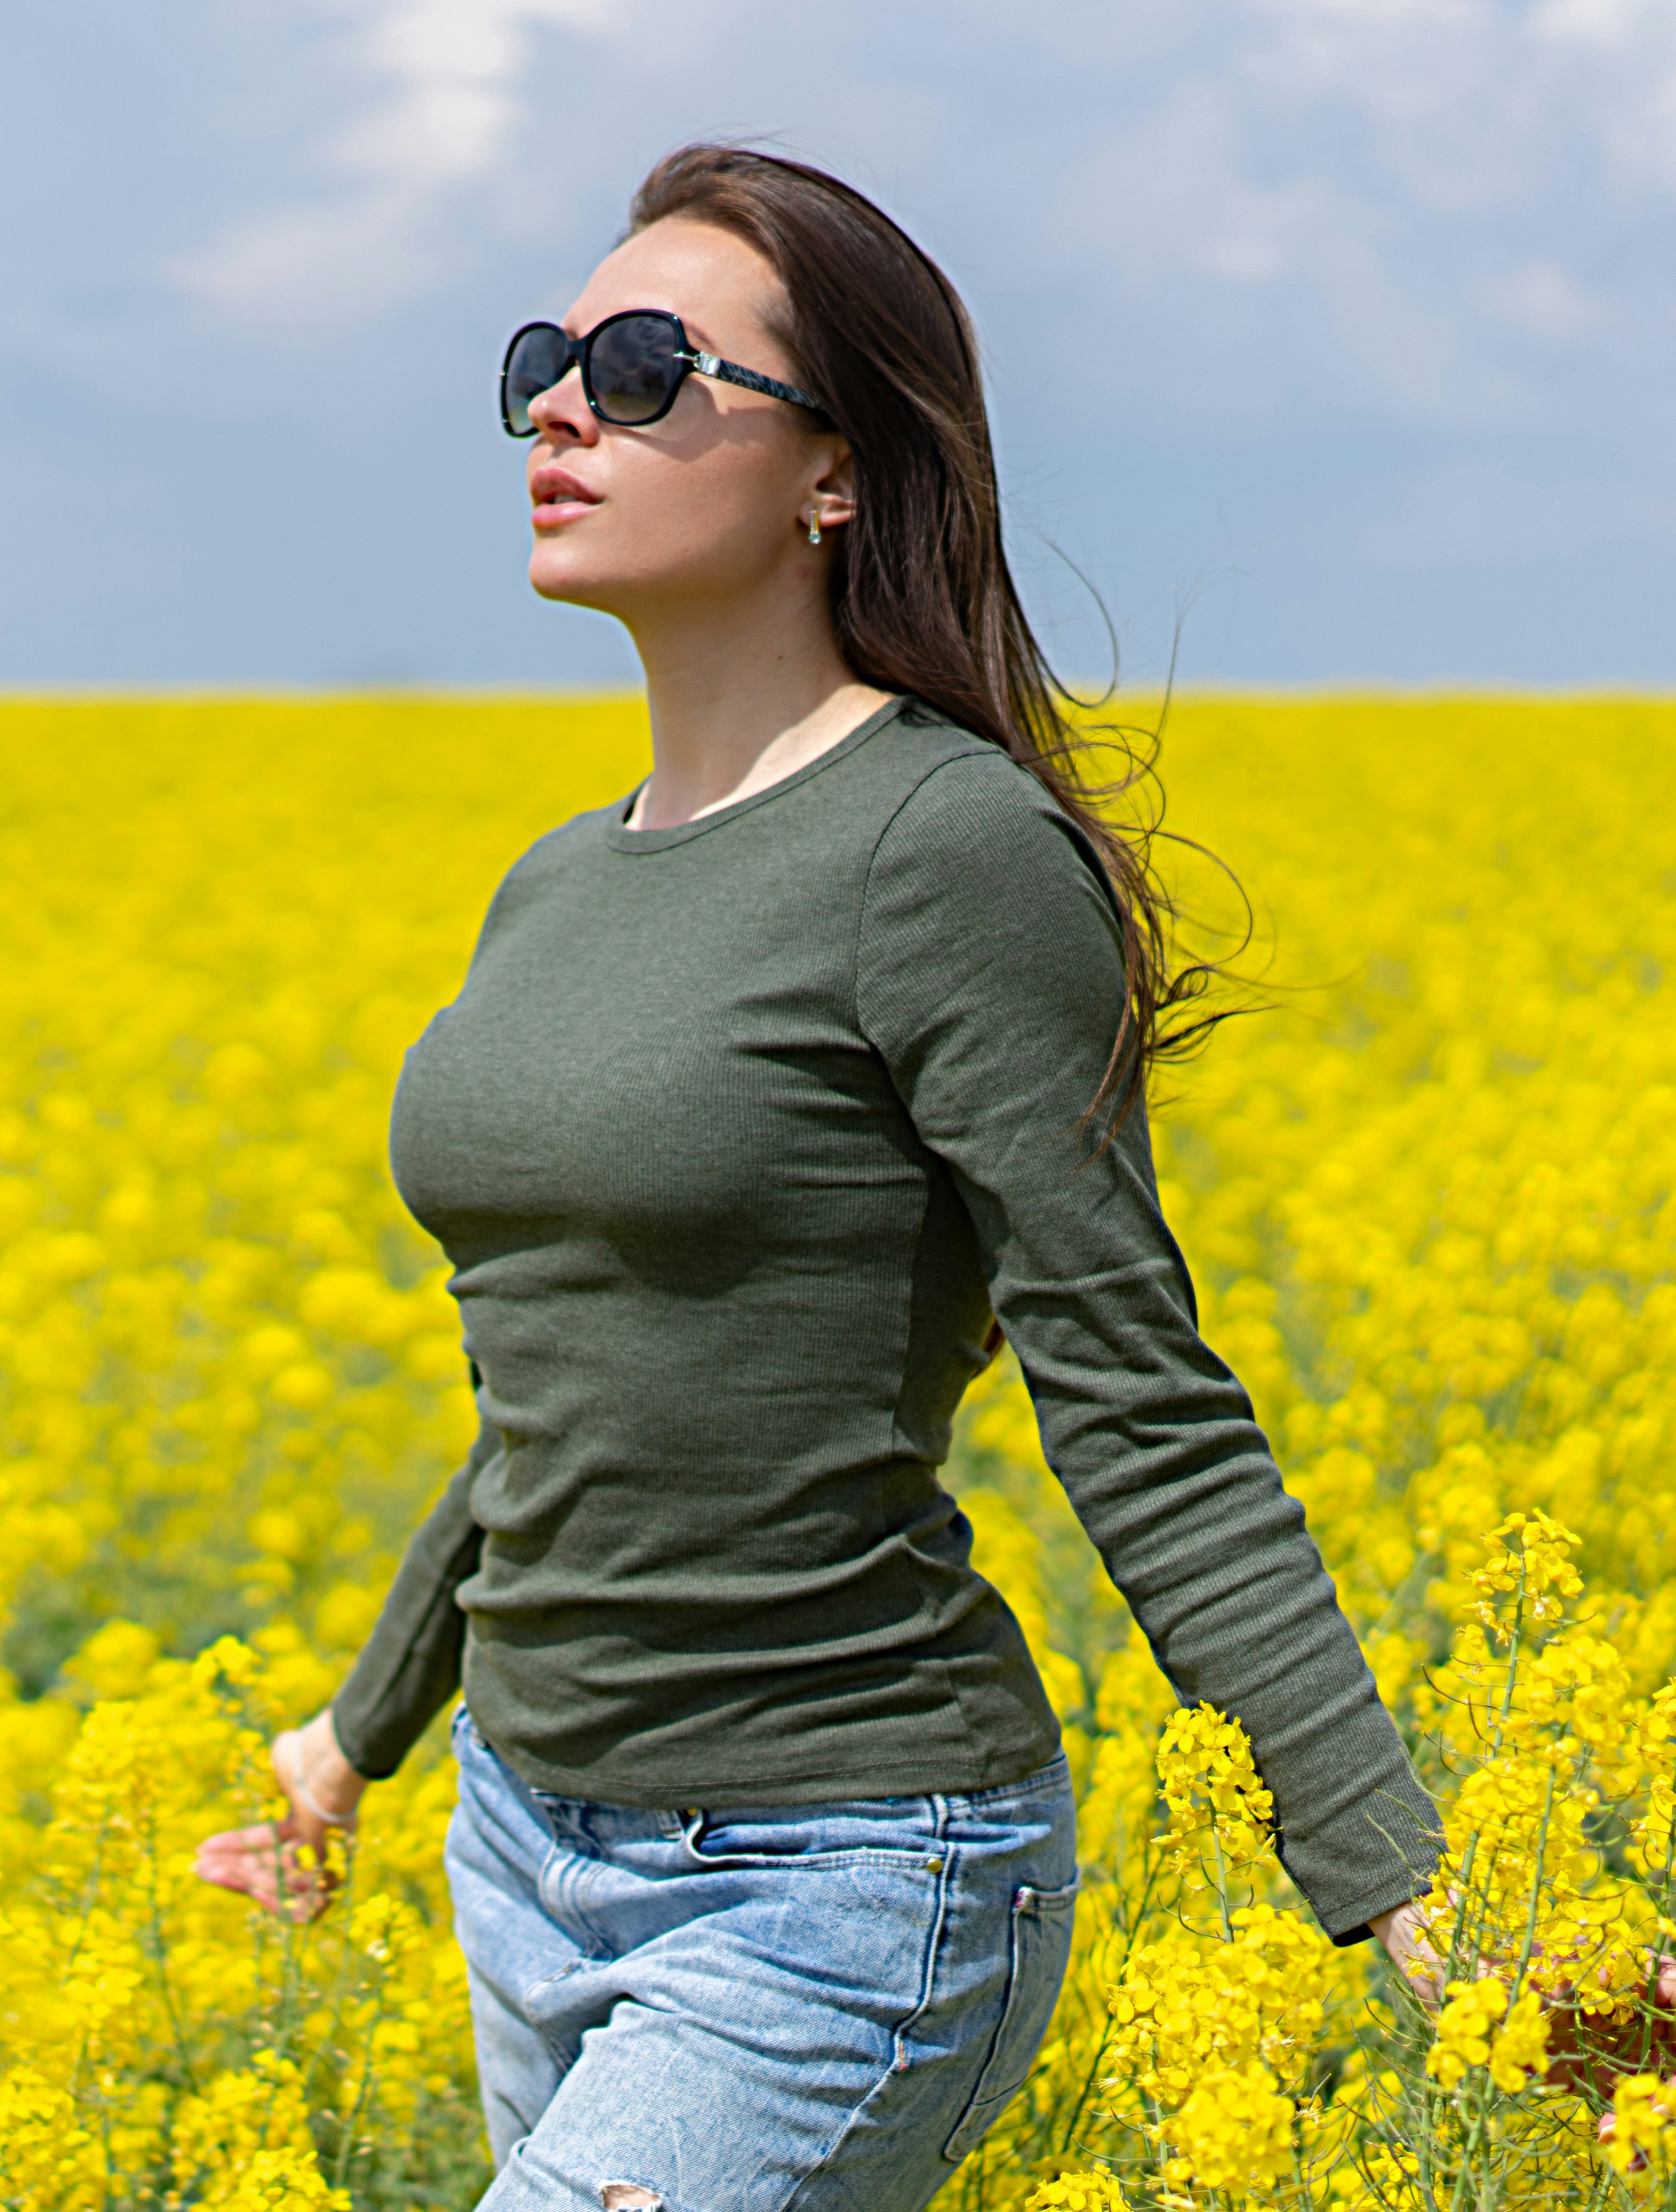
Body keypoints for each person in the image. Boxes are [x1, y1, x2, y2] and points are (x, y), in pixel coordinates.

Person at [189, 143, 1440, 2212]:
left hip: (837, 1881)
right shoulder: (556, 884)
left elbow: (1142, 1406)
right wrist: (357, 1740)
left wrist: (1408, 1896)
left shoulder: (944, 854)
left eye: (650, 364)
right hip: (527, 1842)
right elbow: (566, 1398)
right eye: (546, 363)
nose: (564, 409)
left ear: (835, 472)